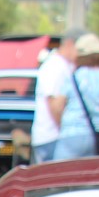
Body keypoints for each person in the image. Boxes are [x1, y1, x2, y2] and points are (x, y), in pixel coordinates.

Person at [52, 34, 99, 161]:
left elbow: (58, 106)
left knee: (61, 170)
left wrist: (61, 125)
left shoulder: (74, 77)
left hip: (73, 133)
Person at [32, 34, 77, 163]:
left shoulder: (61, 65)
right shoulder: (56, 66)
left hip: (52, 137)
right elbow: (54, 104)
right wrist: (65, 132)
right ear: (69, 44)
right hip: (52, 137)